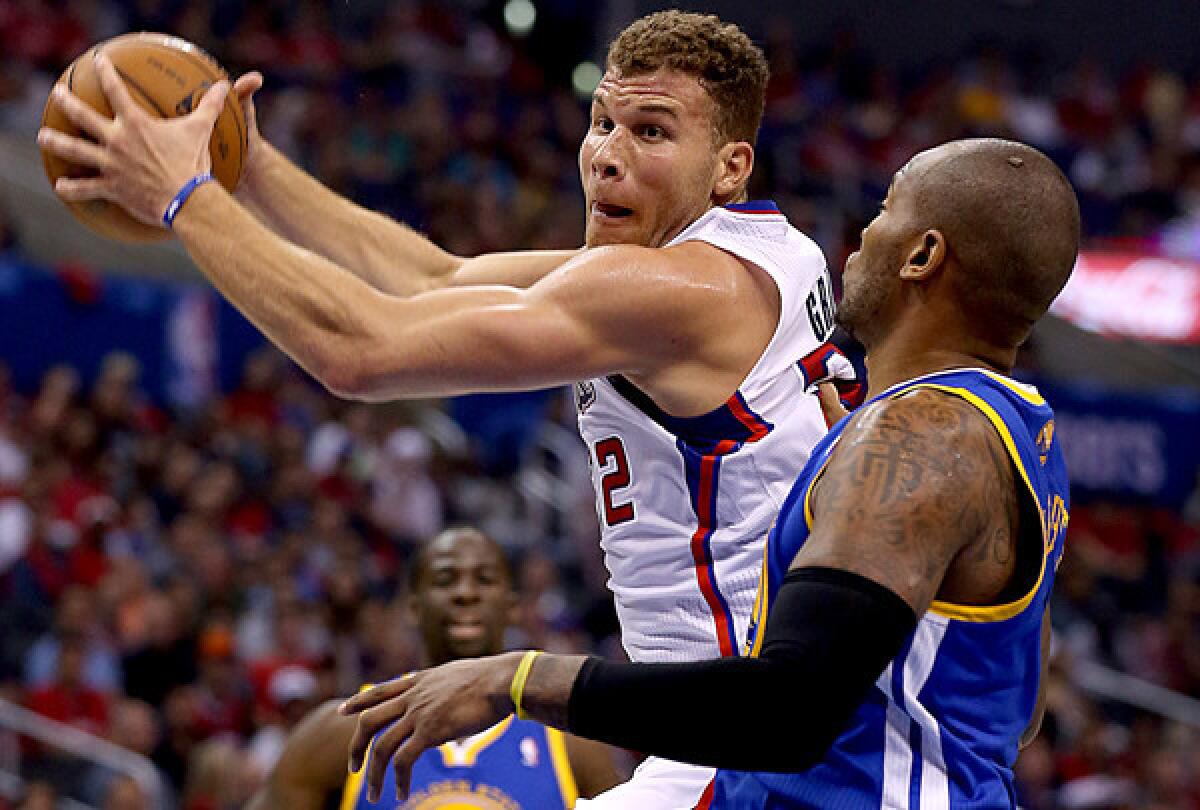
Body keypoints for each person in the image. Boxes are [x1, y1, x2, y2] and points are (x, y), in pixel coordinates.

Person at [39, 11, 854, 806]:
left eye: (651, 132)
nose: (607, 156)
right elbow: (429, 280)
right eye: (603, 120)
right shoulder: (765, 252)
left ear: (730, 167)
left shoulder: (676, 290)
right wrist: (245, 165)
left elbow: (359, 352)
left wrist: (185, 196)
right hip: (754, 727)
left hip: (743, 748)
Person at [337, 138, 1080, 809]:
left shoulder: (916, 438)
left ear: (922, 256)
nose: (861, 235)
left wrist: (516, 679)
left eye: (886, 210)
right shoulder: (1020, 432)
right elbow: (1021, 714)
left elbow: (785, 713)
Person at [246, 527, 618, 809]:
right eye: (445, 579)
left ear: (512, 606)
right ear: (412, 606)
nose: (465, 593)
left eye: (483, 580)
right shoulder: (343, 730)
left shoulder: (570, 740)